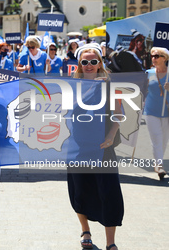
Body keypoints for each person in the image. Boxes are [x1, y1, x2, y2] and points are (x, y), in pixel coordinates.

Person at [68, 44, 124, 250]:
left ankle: (111, 243)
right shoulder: (70, 87)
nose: (89, 65)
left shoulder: (111, 86)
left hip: (103, 148)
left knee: (109, 193)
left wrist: (111, 135)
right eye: (85, 62)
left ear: (100, 63)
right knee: (79, 192)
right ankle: (85, 231)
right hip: (77, 149)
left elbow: (118, 116)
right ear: (79, 65)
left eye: (93, 61)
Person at [144, 47, 169, 180]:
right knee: (157, 138)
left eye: (157, 56)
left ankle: (157, 162)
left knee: (164, 140)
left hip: (167, 112)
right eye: (152, 56)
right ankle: (159, 165)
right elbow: (142, 90)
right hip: (151, 111)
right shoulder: (148, 73)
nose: (153, 58)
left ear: (164, 58)